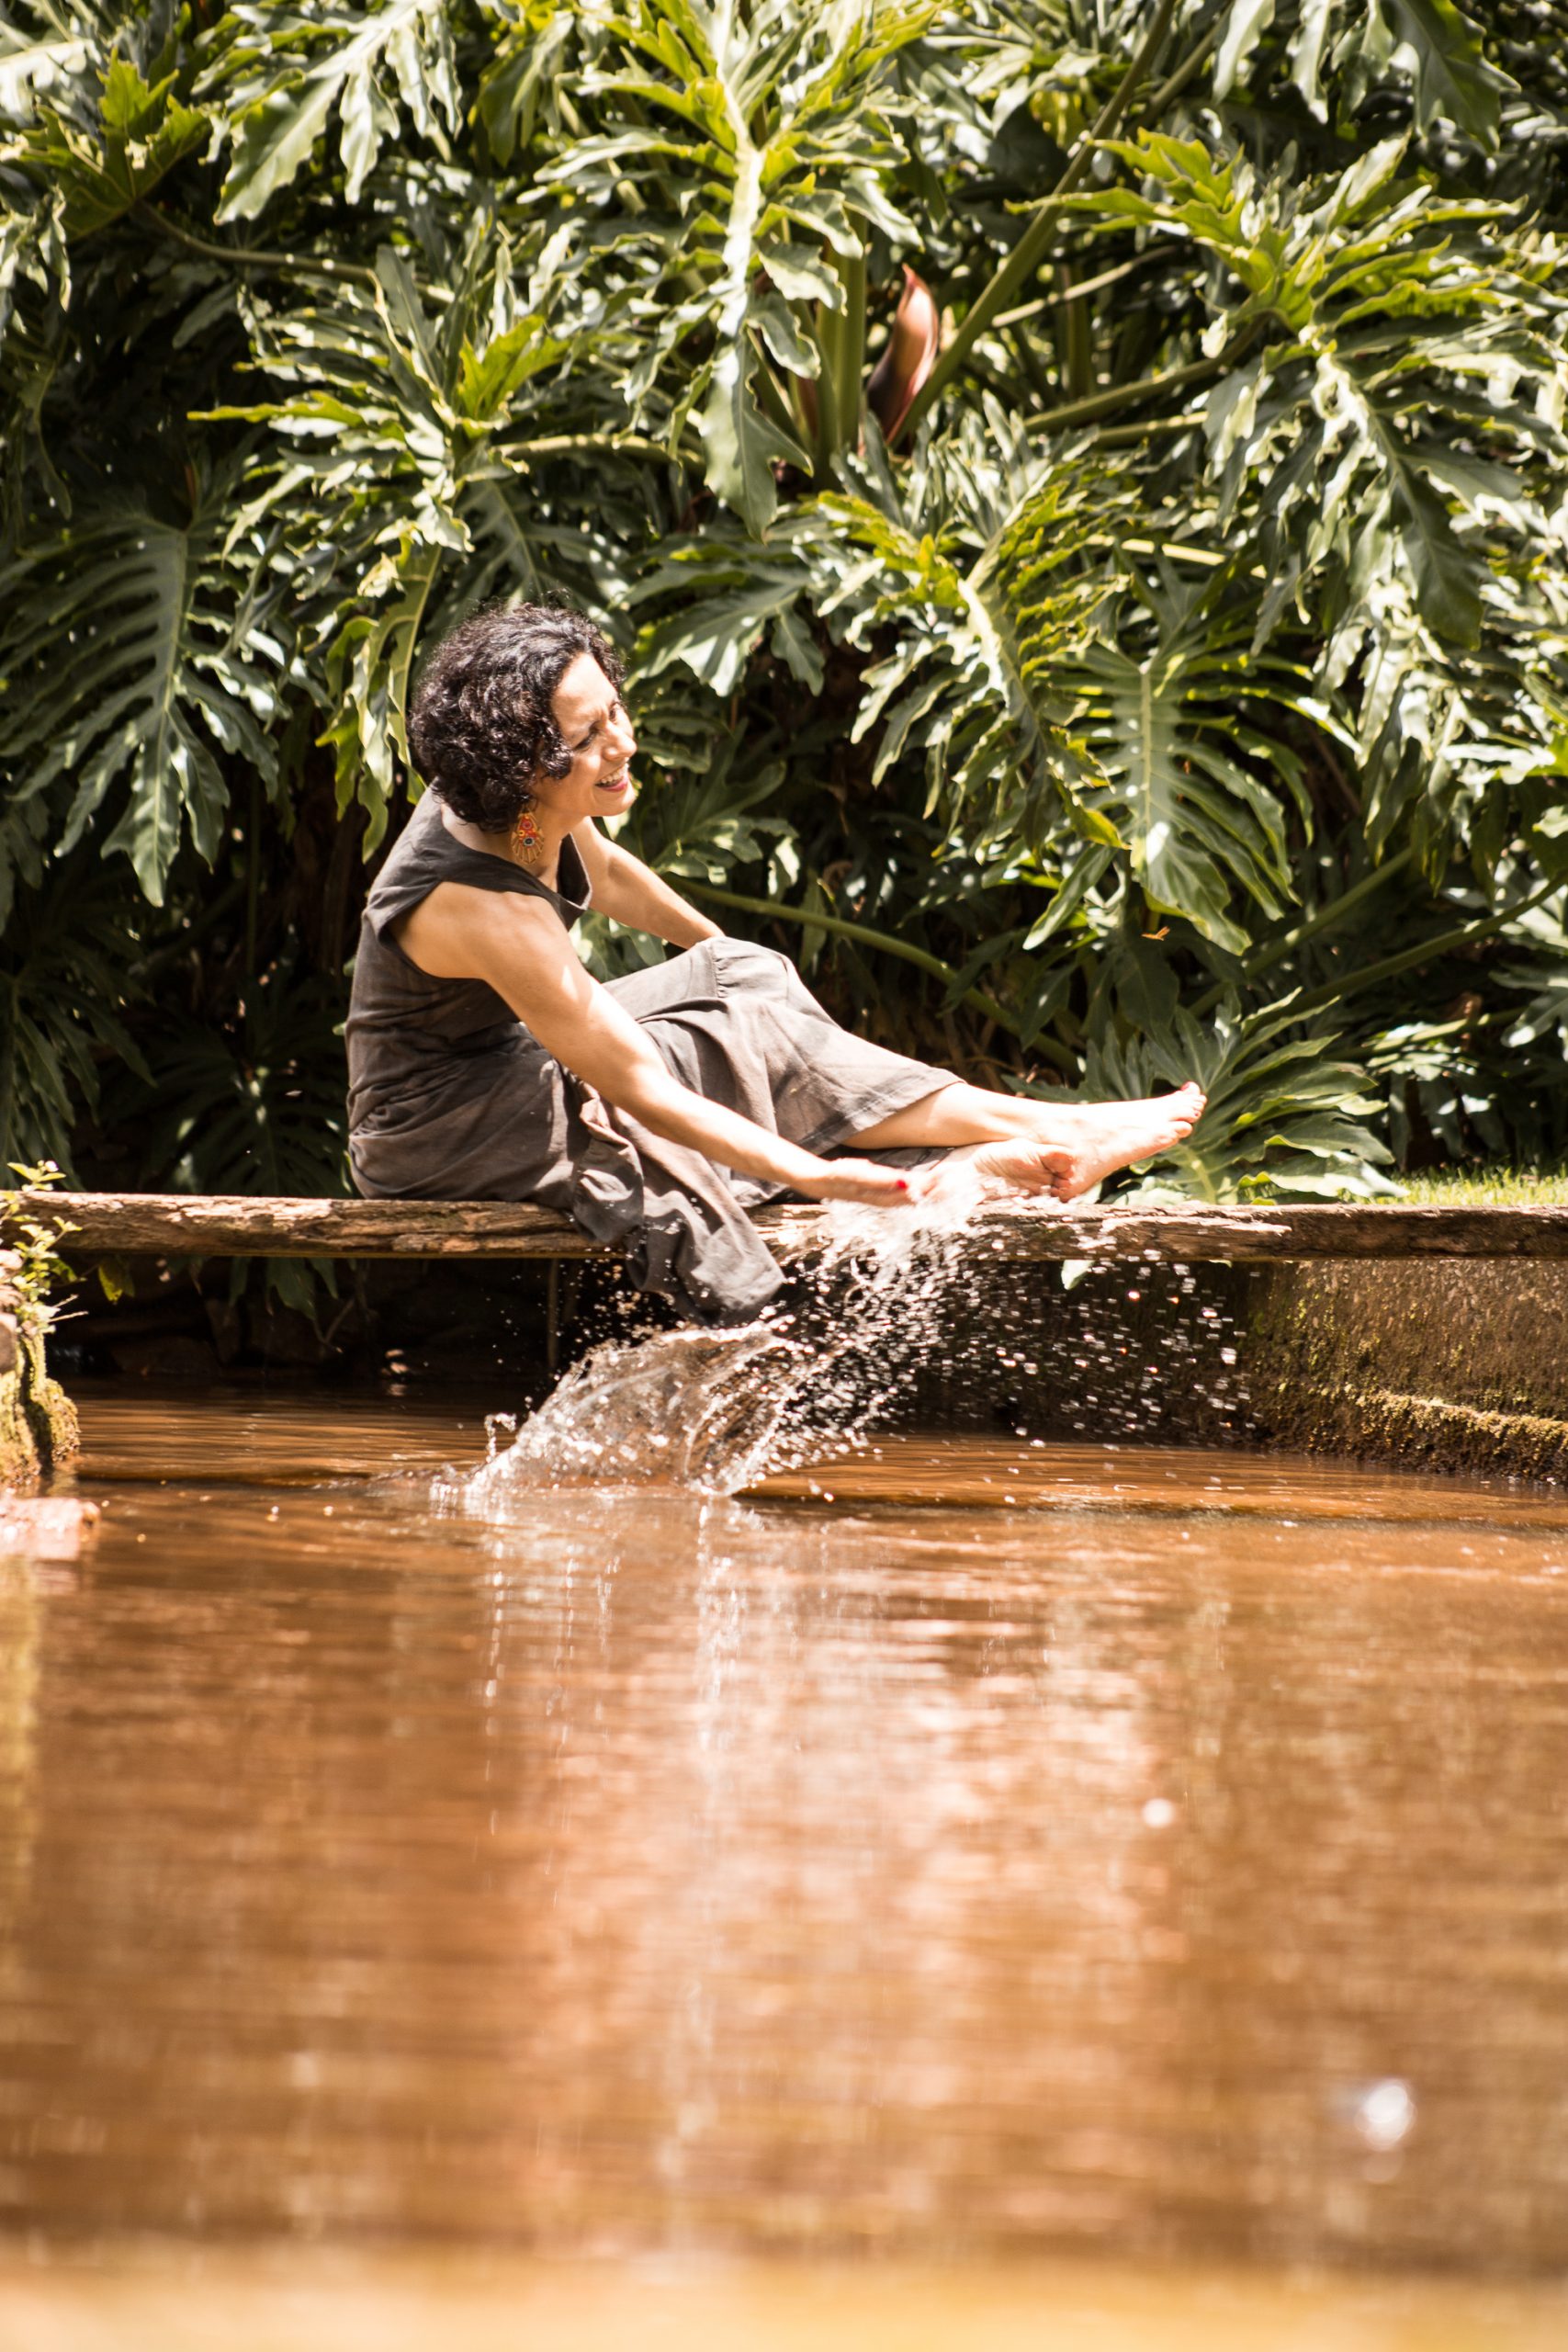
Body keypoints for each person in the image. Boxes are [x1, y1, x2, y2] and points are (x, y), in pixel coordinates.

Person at [345, 604, 1204, 1324]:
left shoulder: (517, 804)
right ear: (520, 767)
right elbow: (642, 1086)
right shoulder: (479, 906)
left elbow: (601, 870)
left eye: (614, 711)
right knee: (675, 1082)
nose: (623, 742)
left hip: (500, 1066)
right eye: (589, 734)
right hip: (434, 1126)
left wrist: (719, 953)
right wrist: (809, 1171)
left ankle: (1008, 1140)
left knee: (742, 979)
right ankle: (1025, 1140)